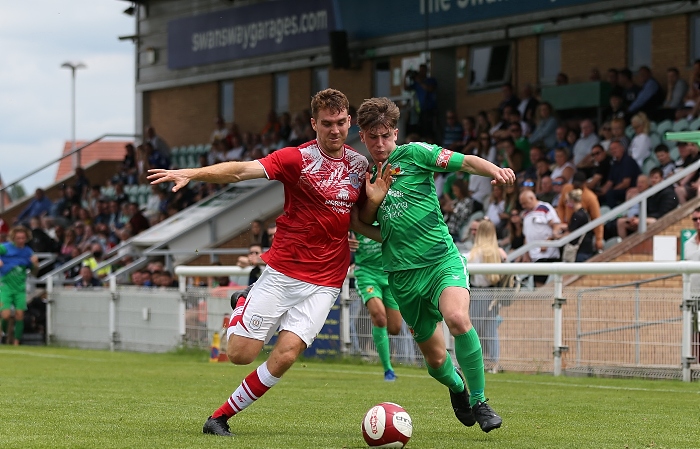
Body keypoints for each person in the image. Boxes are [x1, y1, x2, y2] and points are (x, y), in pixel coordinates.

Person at [148, 88, 389, 437]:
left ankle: (219, 418)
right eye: (327, 124)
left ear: (349, 122)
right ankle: (244, 300)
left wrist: (376, 225)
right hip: (284, 271)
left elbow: (356, 216)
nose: (335, 130)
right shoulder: (297, 159)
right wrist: (193, 174)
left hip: (328, 278)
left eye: (340, 123)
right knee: (239, 355)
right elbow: (240, 171)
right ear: (314, 124)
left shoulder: (360, 165)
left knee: (287, 355)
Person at [356, 96, 515, 433]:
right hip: (401, 276)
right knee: (436, 360)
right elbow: (360, 224)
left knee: (457, 318)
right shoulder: (364, 177)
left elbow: (467, 163)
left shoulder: (416, 154)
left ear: (395, 133)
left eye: (386, 135)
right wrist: (373, 210)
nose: (380, 143)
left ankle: (480, 400)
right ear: (363, 136)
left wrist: (495, 170)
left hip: (441, 261)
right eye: (373, 137)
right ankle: (457, 387)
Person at [352, 227, 403, 381]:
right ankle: (388, 369)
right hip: (367, 273)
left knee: (395, 328)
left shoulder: (387, 212)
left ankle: (381, 344)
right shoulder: (357, 214)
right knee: (379, 317)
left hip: (390, 273)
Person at [466, 220, 507, 374]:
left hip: (478, 293)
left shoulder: (474, 254)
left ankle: (473, 363)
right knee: (490, 330)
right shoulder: (499, 253)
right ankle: (493, 363)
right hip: (494, 294)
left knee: (473, 329)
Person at [0, 226, 39, 345]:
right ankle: (4, 332)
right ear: (13, 238)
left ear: (26, 238)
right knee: (5, 315)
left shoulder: (28, 252)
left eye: (23, 238)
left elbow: (34, 273)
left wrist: (36, 265)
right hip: (6, 286)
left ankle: (16, 342)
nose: (20, 240)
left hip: (20, 288)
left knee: (20, 315)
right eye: (18, 238)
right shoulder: (5, 248)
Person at [518, 190, 564, 285]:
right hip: (533, 255)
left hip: (546, 254)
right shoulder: (526, 214)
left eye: (524, 203)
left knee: (539, 283)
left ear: (532, 198)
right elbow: (527, 235)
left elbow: (556, 226)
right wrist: (526, 253)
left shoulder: (545, 208)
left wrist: (547, 241)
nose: (523, 206)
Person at [616, 168, 678, 238]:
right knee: (621, 222)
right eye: (651, 178)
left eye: (656, 178)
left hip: (660, 219)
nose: (653, 180)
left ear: (661, 178)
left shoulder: (668, 193)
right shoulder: (649, 193)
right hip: (646, 218)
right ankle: (625, 246)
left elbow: (664, 213)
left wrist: (641, 219)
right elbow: (644, 209)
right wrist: (636, 217)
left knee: (647, 221)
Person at [404, 63, 438, 139]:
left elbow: (430, 89)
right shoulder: (416, 84)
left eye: (423, 71)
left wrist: (419, 81)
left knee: (430, 130)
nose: (421, 73)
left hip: (430, 109)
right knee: (421, 130)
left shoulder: (431, 80)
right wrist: (406, 76)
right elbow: (406, 88)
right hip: (421, 110)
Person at [559, 189, 595, 262]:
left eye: (567, 201)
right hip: (585, 248)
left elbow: (571, 232)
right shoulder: (583, 212)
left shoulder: (577, 215)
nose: (566, 204)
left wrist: (557, 237)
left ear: (572, 201)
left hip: (580, 251)